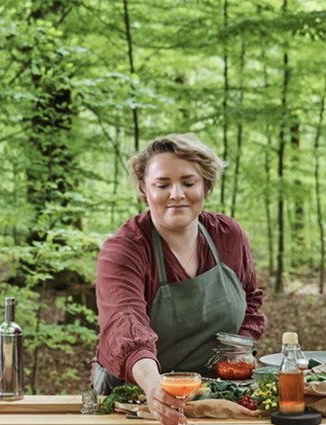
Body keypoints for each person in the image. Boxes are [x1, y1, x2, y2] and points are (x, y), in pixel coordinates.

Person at [92, 133, 267, 425]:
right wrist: (153, 386)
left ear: (206, 186)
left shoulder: (228, 236)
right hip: (136, 400)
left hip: (216, 396)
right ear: (144, 189)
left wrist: (237, 359)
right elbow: (125, 324)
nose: (176, 194)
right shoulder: (125, 249)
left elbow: (251, 301)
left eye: (188, 183)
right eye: (162, 185)